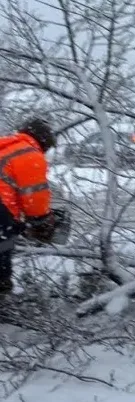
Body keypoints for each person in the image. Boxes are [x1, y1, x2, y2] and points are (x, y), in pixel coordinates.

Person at [0, 118, 57, 296]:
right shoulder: (30, 154)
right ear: (44, 141)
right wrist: (42, 224)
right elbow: (34, 200)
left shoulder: (6, 147)